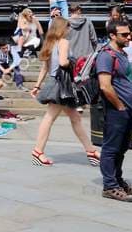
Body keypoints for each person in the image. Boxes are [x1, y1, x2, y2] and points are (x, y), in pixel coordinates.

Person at [28, 17, 100, 166]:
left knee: (75, 118)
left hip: (55, 82)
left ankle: (91, 151)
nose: (69, 30)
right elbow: (63, 63)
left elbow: (45, 68)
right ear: (62, 28)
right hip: (62, 85)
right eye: (68, 27)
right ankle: (38, 151)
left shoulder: (50, 44)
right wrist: (75, 62)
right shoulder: (64, 42)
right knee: (50, 118)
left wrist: (37, 86)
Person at [97, 20, 132, 202]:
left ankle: (117, 180)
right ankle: (109, 186)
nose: (129, 37)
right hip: (117, 110)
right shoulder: (106, 56)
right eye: (124, 35)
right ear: (112, 35)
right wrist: (120, 106)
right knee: (110, 148)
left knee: (121, 148)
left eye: (129, 34)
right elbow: (105, 86)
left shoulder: (121, 53)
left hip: (127, 109)